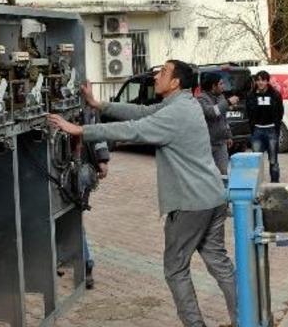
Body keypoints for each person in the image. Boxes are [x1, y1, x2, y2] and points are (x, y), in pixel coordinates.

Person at [48, 60, 237, 327]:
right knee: (219, 263)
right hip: (213, 196)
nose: (156, 76)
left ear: (175, 83)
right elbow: (141, 111)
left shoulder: (175, 113)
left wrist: (81, 130)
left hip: (191, 203)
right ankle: (248, 319)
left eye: (163, 73)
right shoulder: (184, 103)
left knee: (175, 269)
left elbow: (134, 129)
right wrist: (100, 105)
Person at [81, 106, 110, 290]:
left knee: (74, 216)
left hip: (80, 168)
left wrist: (103, 159)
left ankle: (86, 262)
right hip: (55, 164)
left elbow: (97, 131)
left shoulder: (87, 104)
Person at [246, 70, 285, 182]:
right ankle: (257, 187)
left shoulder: (275, 95)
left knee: (273, 161)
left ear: (267, 81)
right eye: (258, 80)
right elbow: (249, 112)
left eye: (263, 80)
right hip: (257, 131)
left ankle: (275, 186)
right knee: (256, 162)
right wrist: (252, 128)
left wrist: (276, 126)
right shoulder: (251, 96)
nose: (260, 82)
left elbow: (280, 112)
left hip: (271, 130)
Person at [197, 72, 239, 176]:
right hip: (208, 144)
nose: (223, 86)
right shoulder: (201, 99)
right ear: (213, 86)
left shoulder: (221, 97)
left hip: (221, 143)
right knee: (208, 174)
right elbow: (211, 113)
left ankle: (223, 192)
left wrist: (228, 135)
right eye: (221, 84)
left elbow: (224, 118)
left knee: (223, 173)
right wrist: (228, 102)